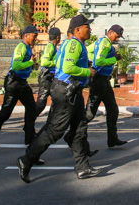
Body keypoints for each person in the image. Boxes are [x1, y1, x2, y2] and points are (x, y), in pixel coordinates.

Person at [17, 14, 101, 183]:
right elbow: (67, 66)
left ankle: (82, 167)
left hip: (73, 91)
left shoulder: (75, 44)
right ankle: (26, 160)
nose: (90, 29)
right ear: (77, 30)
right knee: (54, 131)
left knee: (79, 128)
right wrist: (87, 72)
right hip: (66, 92)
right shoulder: (73, 44)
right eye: (87, 26)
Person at [0, 25, 39, 147]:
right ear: (26, 36)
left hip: (22, 82)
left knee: (31, 108)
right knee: (6, 112)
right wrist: (30, 62)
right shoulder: (21, 47)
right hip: (14, 83)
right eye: (34, 36)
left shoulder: (27, 48)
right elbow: (16, 65)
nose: (35, 39)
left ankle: (29, 135)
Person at [86, 24, 127, 148]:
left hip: (105, 81)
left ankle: (112, 139)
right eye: (116, 35)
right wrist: (113, 59)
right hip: (99, 81)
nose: (117, 39)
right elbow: (99, 61)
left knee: (113, 110)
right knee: (89, 113)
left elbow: (89, 50)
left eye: (119, 37)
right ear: (110, 32)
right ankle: (72, 135)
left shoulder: (102, 42)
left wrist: (90, 60)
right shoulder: (104, 43)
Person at [35, 27, 62, 117]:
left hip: (51, 77)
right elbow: (44, 62)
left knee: (57, 99)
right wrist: (56, 62)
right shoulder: (49, 47)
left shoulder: (53, 47)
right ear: (57, 37)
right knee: (41, 102)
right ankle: (30, 119)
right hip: (46, 77)